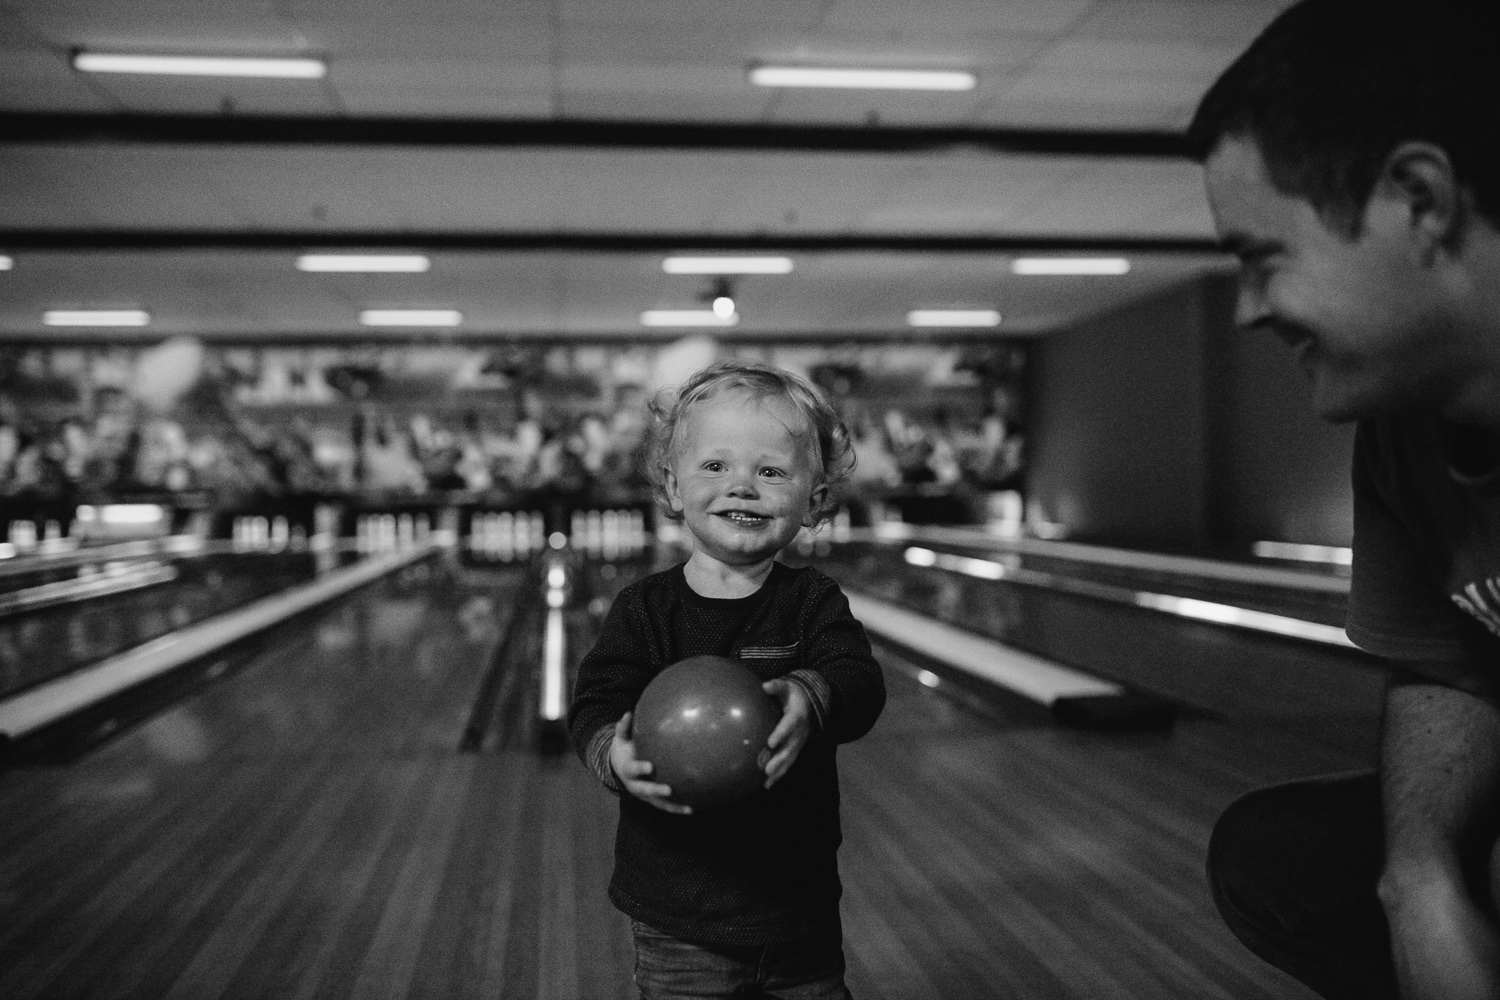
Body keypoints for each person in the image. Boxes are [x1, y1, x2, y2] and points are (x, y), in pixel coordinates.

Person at [1188, 2, 1500, 998]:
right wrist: (1419, 881)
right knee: (1278, 860)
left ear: (1419, 198)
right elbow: (1449, 666)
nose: (1243, 311)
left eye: (1261, 256)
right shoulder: (1407, 423)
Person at [567, 360, 886, 1000]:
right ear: (673, 486)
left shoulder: (813, 603)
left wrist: (811, 694)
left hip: (797, 906)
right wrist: (614, 753)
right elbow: (596, 701)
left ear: (815, 499)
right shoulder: (644, 610)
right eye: (716, 466)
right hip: (677, 914)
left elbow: (859, 681)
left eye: (770, 472)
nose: (742, 486)